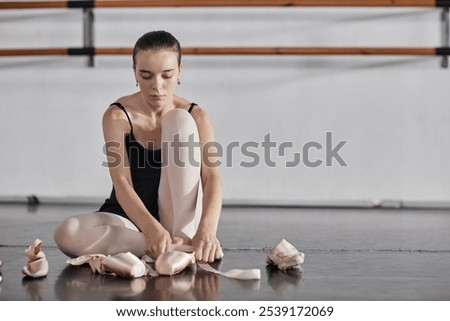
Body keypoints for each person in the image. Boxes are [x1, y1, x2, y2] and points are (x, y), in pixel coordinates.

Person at [54, 30, 223, 263]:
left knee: (179, 120)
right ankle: (177, 251)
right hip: (131, 220)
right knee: (67, 232)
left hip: (177, 218)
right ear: (134, 71)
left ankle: (177, 241)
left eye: (167, 75)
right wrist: (150, 229)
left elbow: (212, 177)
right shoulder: (116, 116)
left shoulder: (197, 115)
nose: (157, 86)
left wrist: (207, 229)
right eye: (146, 75)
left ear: (180, 71)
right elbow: (121, 182)